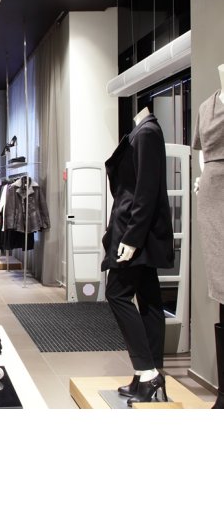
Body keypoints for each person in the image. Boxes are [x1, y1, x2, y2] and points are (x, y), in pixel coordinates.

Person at [102, 106, 175, 406]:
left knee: (116, 293)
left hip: (135, 228)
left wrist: (132, 238)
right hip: (138, 228)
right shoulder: (142, 132)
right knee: (149, 300)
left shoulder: (147, 133)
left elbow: (146, 190)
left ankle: (147, 371)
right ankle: (149, 374)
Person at [192, 63, 224, 409]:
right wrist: (203, 177)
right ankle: (223, 394)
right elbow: (202, 151)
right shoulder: (206, 106)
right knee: (220, 283)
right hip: (214, 192)